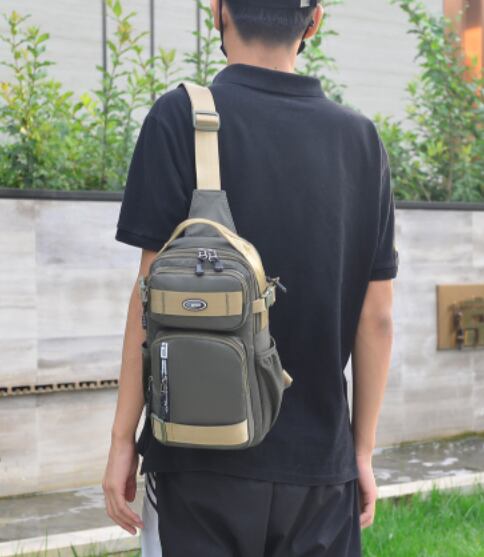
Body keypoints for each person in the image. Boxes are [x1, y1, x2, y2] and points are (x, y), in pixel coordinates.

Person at [102, 0, 399, 555]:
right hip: (319, 468)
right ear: (314, 21)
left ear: (218, 12)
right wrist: (360, 452)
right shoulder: (361, 140)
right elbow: (377, 318)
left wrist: (123, 440)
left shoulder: (179, 118)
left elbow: (148, 301)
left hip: (194, 460)